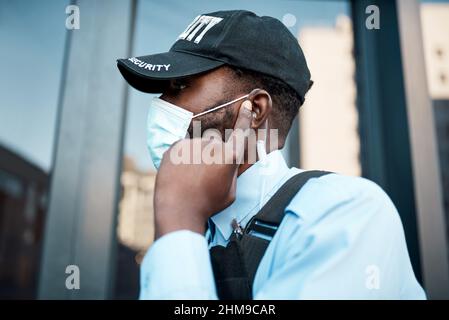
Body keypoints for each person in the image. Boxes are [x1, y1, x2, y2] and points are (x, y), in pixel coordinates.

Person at [117, 10, 425, 299]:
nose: (161, 104)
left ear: (254, 110)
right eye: (163, 90)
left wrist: (179, 218)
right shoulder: (198, 233)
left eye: (181, 85)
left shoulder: (344, 214)